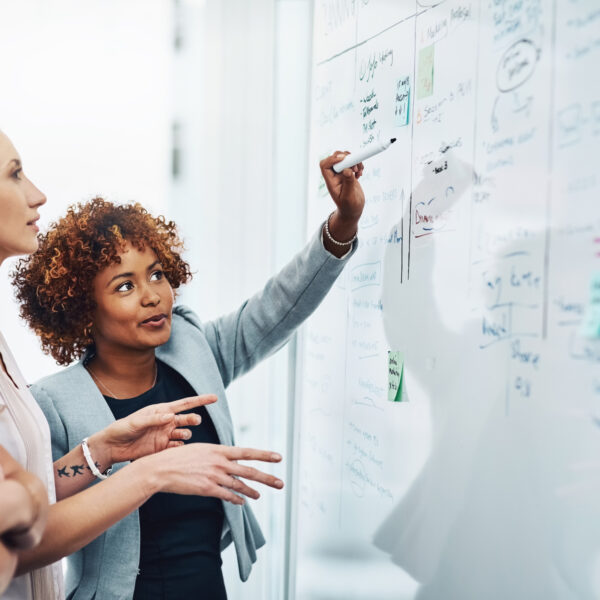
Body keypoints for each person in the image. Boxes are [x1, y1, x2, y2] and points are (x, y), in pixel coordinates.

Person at [12, 148, 365, 598]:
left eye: (157, 274)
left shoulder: (193, 347)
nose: (152, 295)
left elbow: (279, 306)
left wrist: (343, 225)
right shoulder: (54, 403)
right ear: (82, 310)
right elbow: (37, 510)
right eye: (125, 286)